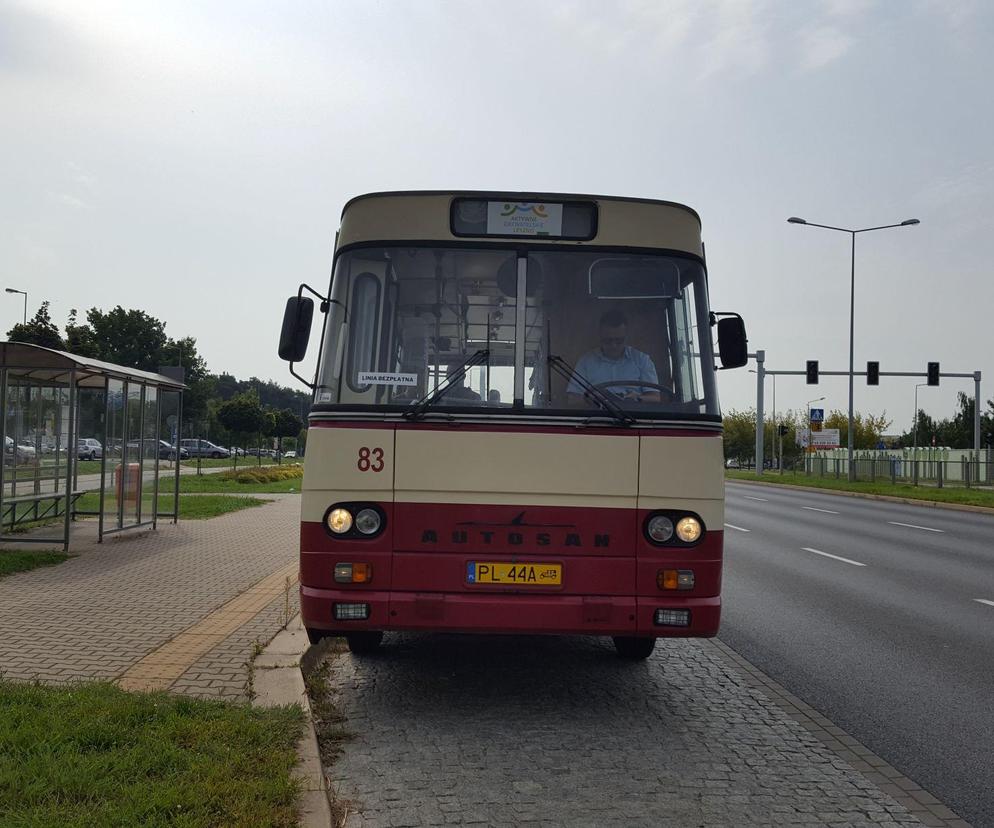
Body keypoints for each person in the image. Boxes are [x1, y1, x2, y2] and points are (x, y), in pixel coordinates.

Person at [566, 310, 662, 404]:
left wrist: (637, 398)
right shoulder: (586, 362)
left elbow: (655, 398)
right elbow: (572, 399)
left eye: (619, 341)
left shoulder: (642, 360)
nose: (614, 345)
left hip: (634, 416)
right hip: (596, 416)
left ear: (626, 337)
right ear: (600, 336)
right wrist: (590, 399)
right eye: (608, 341)